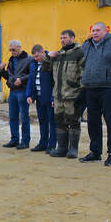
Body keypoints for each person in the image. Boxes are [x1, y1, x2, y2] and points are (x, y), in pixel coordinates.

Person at [79, 22, 111, 166]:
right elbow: (81, 63)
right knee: (93, 122)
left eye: (97, 30)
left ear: (105, 31)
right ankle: (95, 152)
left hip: (109, 88)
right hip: (90, 88)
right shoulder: (86, 45)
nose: (94, 33)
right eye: (93, 30)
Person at [43, 30, 85, 159]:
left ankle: (73, 149)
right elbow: (45, 69)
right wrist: (48, 57)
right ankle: (61, 148)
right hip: (58, 95)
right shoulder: (58, 54)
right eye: (61, 38)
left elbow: (84, 75)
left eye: (65, 37)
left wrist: (82, 94)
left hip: (72, 95)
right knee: (59, 121)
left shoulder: (80, 53)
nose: (62, 40)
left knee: (73, 121)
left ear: (72, 38)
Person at [0, 40, 34, 149]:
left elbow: (32, 74)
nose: (12, 52)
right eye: (10, 50)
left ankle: (25, 141)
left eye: (13, 50)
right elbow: (9, 77)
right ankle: (14, 139)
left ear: (19, 48)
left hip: (23, 91)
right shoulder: (11, 60)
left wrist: (22, 80)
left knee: (24, 117)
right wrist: (2, 71)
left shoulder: (29, 59)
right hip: (13, 92)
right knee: (13, 117)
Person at [26, 44, 57, 154]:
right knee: (42, 121)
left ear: (43, 53)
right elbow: (31, 80)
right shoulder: (34, 64)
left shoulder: (51, 62)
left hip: (49, 98)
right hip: (39, 98)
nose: (36, 58)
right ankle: (43, 143)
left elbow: (55, 81)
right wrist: (29, 95)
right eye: (34, 57)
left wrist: (54, 98)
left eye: (37, 56)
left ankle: (52, 144)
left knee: (52, 122)